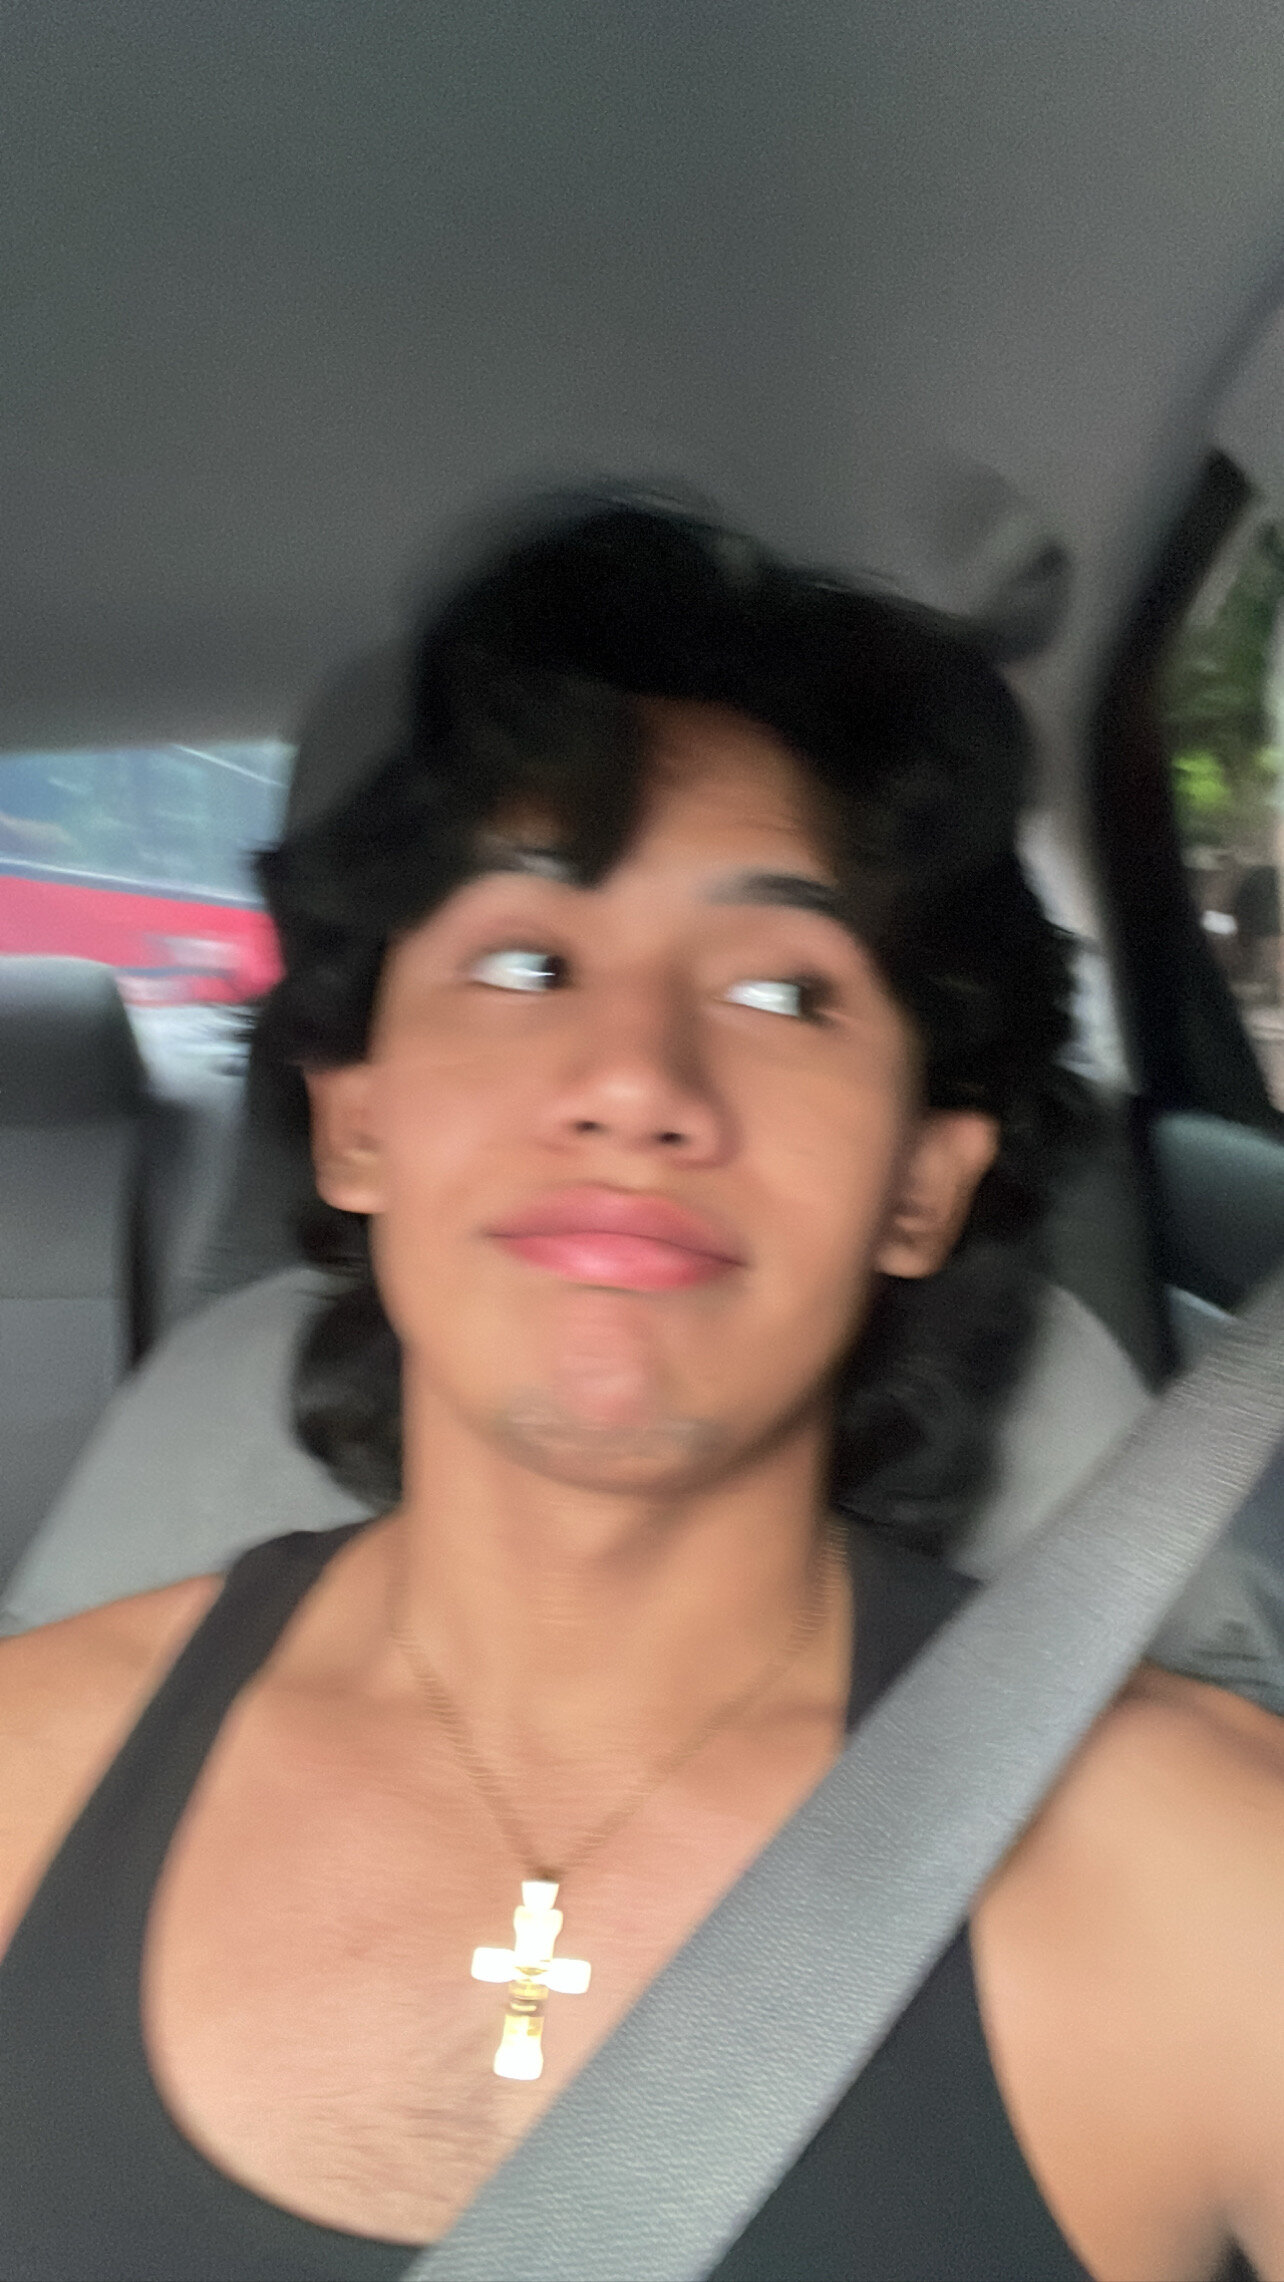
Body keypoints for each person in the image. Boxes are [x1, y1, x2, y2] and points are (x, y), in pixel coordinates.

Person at [1, 494, 1281, 2282]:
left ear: (922, 1183)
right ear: (357, 1121)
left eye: (783, 991)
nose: (636, 1079)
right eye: (525, 963)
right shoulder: (25, 1776)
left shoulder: (1214, 1877)